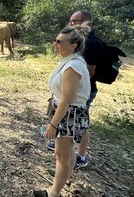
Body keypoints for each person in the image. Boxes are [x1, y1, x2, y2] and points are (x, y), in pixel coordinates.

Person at [33, 25, 91, 197]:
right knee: (67, 152)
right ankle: (63, 178)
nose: (55, 44)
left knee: (61, 154)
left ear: (73, 45)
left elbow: (67, 100)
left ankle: (54, 192)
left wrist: (53, 123)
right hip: (70, 112)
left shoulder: (73, 67)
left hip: (69, 114)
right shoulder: (71, 61)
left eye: (59, 42)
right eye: (55, 40)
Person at [46, 10, 104, 169]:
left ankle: (80, 156)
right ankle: (66, 145)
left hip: (79, 94)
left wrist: (53, 123)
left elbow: (89, 71)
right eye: (70, 20)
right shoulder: (72, 53)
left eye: (75, 21)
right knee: (68, 138)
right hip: (71, 92)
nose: (71, 23)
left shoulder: (92, 44)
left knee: (80, 126)